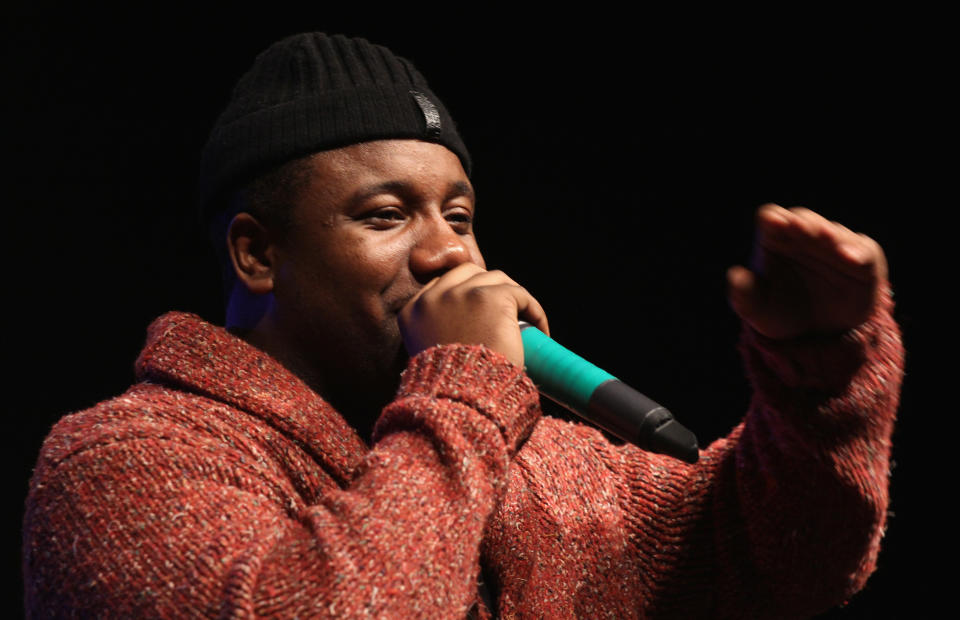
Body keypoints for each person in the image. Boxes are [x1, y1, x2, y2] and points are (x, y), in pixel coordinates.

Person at [22, 32, 903, 618]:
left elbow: (782, 553)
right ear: (257, 256)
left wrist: (818, 368)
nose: (451, 256)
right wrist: (466, 397)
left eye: (459, 213)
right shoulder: (122, 460)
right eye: (384, 215)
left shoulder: (535, 461)